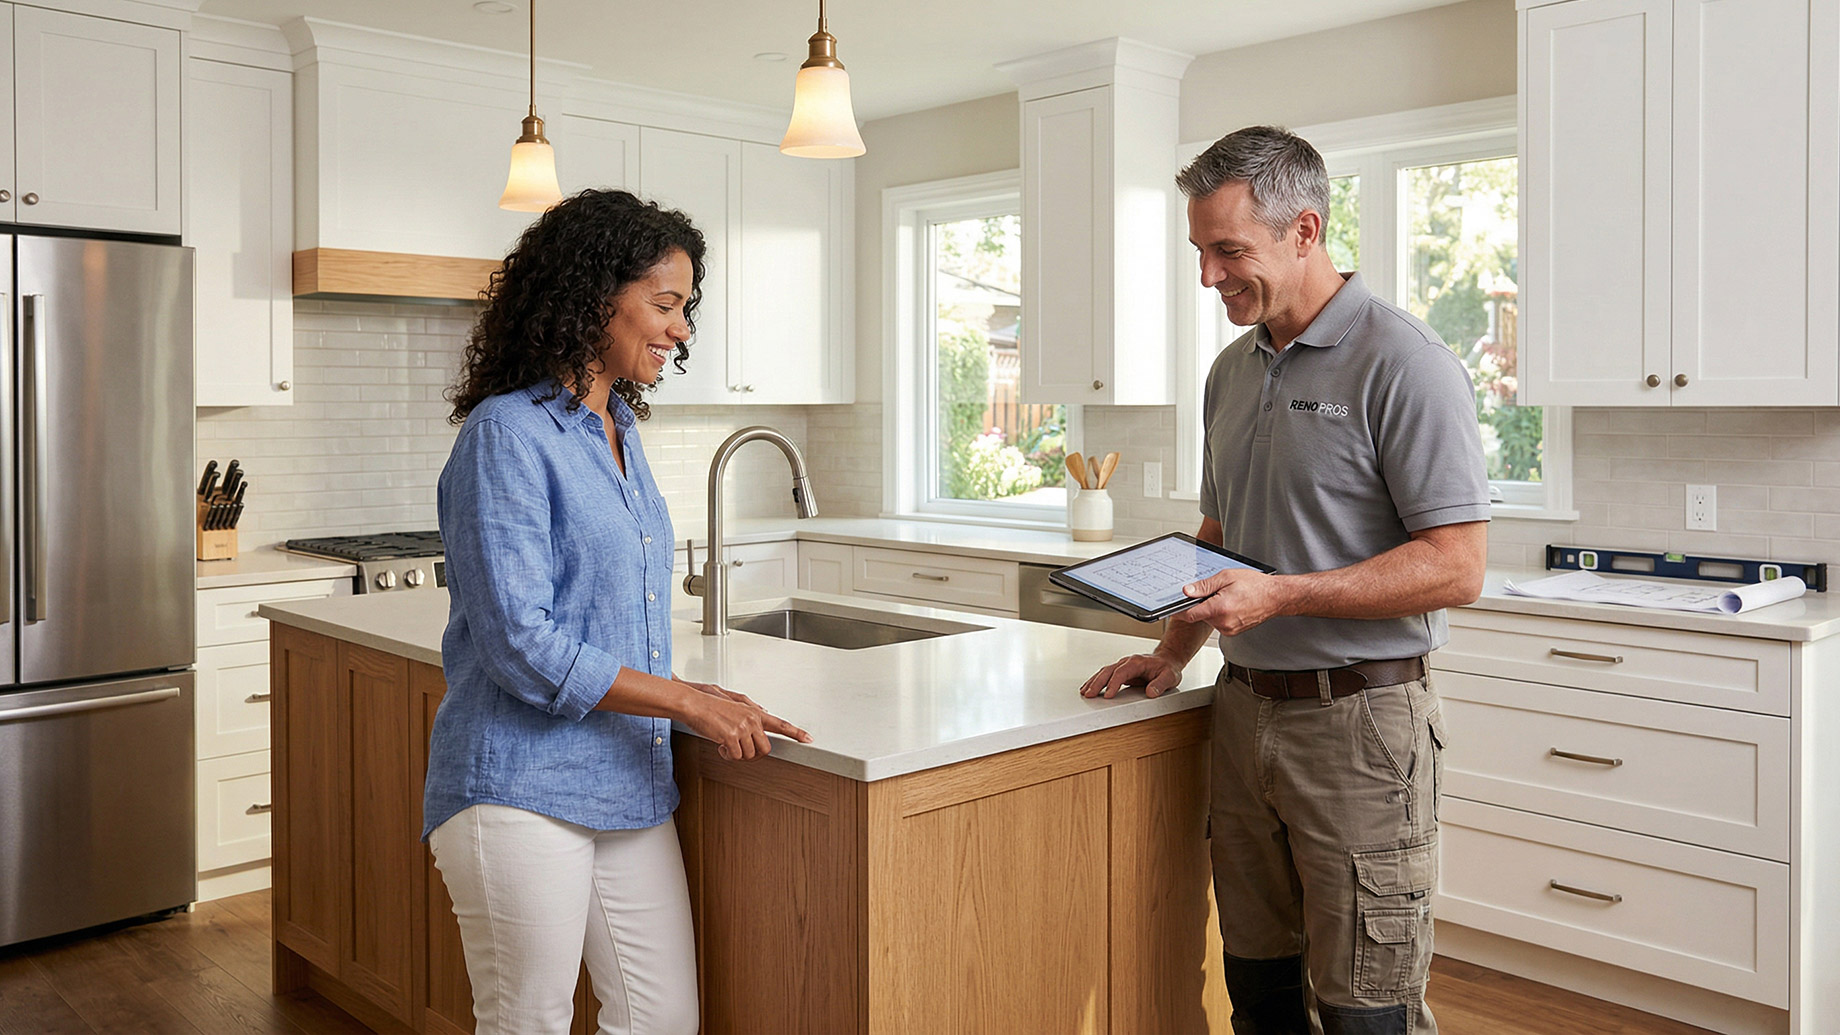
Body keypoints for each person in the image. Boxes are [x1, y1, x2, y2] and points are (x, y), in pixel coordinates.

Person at [1081, 126, 1489, 1035]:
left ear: (1305, 230)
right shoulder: (1233, 370)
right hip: (1242, 710)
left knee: (1364, 1008)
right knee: (1257, 987)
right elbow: (1221, 538)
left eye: (1230, 251)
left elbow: (1457, 565)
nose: (1209, 276)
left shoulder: (1406, 362)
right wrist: (1170, 647)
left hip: (1361, 728)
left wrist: (1285, 594)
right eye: (1200, 251)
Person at [425, 188, 812, 1035]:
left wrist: (707, 696)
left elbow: (618, 614)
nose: (680, 330)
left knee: (661, 1019)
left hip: (625, 780)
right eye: (664, 305)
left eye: (684, 308)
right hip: (518, 785)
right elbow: (520, 641)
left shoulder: (621, 428)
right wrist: (685, 700)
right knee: (525, 1022)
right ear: (593, 295)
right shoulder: (506, 434)